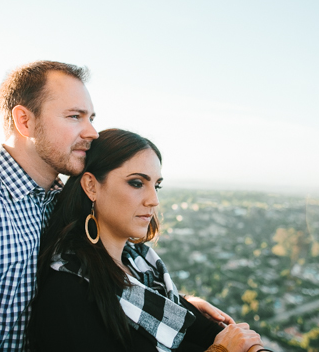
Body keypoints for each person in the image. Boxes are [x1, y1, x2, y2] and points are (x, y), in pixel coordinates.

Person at [0, 61, 233, 351]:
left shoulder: (60, 199)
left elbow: (105, 281)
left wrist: (177, 306)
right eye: (75, 117)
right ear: (25, 122)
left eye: (91, 117)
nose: (91, 132)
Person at [28, 129, 271, 352]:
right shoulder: (68, 293)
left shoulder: (144, 267)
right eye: (136, 183)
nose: (153, 199)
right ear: (91, 186)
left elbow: (210, 333)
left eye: (157, 186)